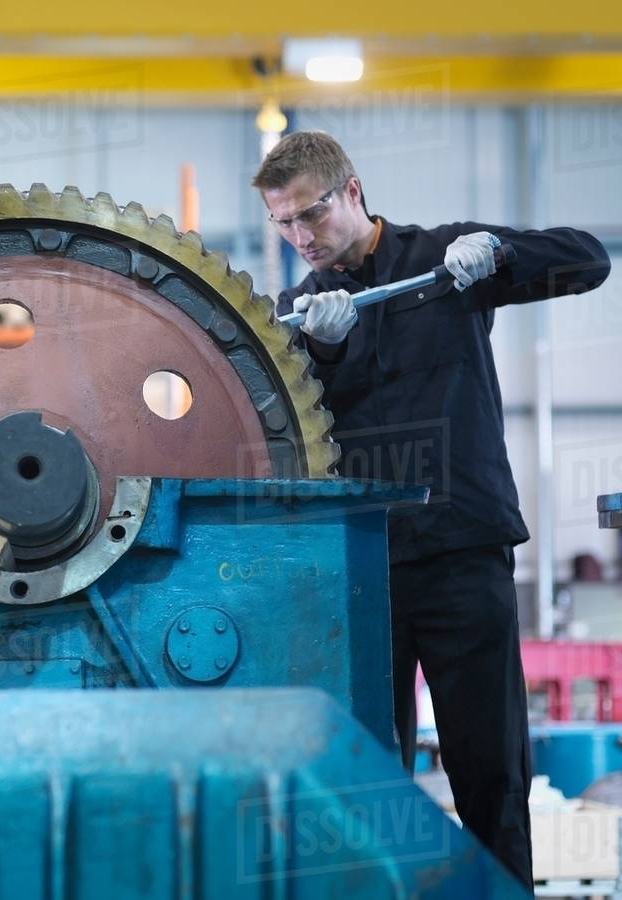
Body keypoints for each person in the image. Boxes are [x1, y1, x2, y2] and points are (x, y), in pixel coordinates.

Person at [253, 130, 610, 890]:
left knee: (490, 772)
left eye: (310, 215)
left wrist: (503, 255)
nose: (299, 237)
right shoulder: (297, 309)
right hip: (362, 572)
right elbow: (283, 435)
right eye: (282, 224)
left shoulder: (447, 262)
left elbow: (588, 258)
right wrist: (323, 353)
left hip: (460, 553)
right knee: (369, 781)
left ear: (352, 191)